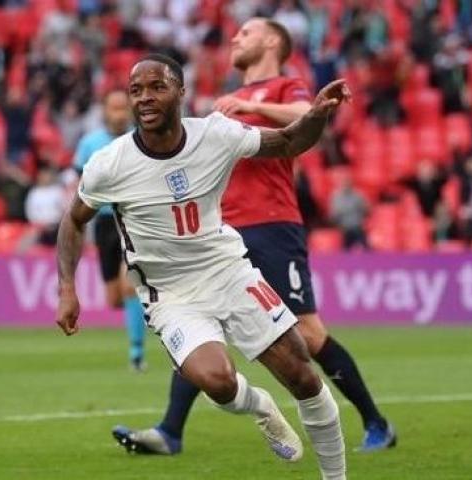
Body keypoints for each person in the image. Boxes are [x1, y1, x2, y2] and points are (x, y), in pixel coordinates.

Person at [56, 53, 350, 479]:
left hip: (228, 273)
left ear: (180, 91)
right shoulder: (110, 163)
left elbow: (288, 141)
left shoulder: (215, 135)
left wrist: (319, 113)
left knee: (302, 376)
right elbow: (72, 220)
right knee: (218, 380)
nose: (145, 98)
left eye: (156, 86)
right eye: (136, 90)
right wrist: (67, 287)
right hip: (171, 295)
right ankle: (261, 406)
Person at [112, 18, 395, 454]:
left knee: (308, 332)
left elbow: (306, 119)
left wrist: (252, 108)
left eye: (246, 33)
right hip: (222, 229)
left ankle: (377, 423)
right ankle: (171, 431)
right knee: (196, 320)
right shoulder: (227, 100)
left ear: (271, 41)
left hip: (272, 224)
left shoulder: (286, 86)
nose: (235, 38)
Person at [72, 89, 147, 371]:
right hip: (103, 221)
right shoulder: (90, 143)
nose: (119, 114)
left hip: (132, 217)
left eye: (123, 108)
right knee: (114, 297)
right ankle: (151, 315)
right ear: (104, 111)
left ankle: (136, 354)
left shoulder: (140, 139)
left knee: (129, 287)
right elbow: (79, 183)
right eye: (113, 108)